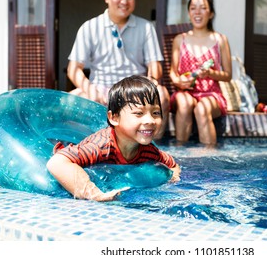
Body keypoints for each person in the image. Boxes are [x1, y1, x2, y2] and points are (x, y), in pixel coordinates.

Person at [47, 75, 181, 202]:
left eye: (156, 113)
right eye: (139, 113)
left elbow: (172, 165)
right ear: (114, 118)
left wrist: (173, 178)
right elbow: (57, 163)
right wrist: (93, 194)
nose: (150, 120)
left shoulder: (149, 150)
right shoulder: (101, 146)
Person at [67, 0, 169, 138]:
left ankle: (155, 150)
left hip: (135, 91)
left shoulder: (146, 27)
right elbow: (73, 70)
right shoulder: (89, 27)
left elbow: (155, 66)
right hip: (100, 90)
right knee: (70, 100)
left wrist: (152, 83)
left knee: (161, 94)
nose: (124, 1)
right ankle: (80, 146)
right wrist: (89, 89)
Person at [169, 0, 232, 145]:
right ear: (189, 13)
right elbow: (173, 72)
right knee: (184, 103)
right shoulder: (180, 39)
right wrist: (179, 82)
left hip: (212, 95)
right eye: (193, 8)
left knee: (202, 109)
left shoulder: (220, 40)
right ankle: (179, 152)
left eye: (203, 8)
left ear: (210, 13)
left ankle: (209, 159)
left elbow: (228, 75)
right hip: (185, 92)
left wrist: (210, 73)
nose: (197, 12)